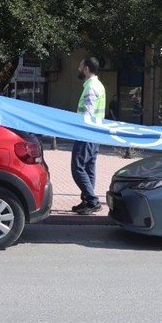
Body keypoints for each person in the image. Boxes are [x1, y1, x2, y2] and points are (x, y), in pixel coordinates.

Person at [71, 56, 106, 214]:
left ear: (86, 68)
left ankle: (92, 200)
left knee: (77, 167)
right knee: (89, 167)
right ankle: (87, 200)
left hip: (86, 133)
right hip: (95, 134)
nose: (79, 69)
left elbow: (88, 113)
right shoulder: (98, 85)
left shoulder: (91, 87)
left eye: (80, 66)